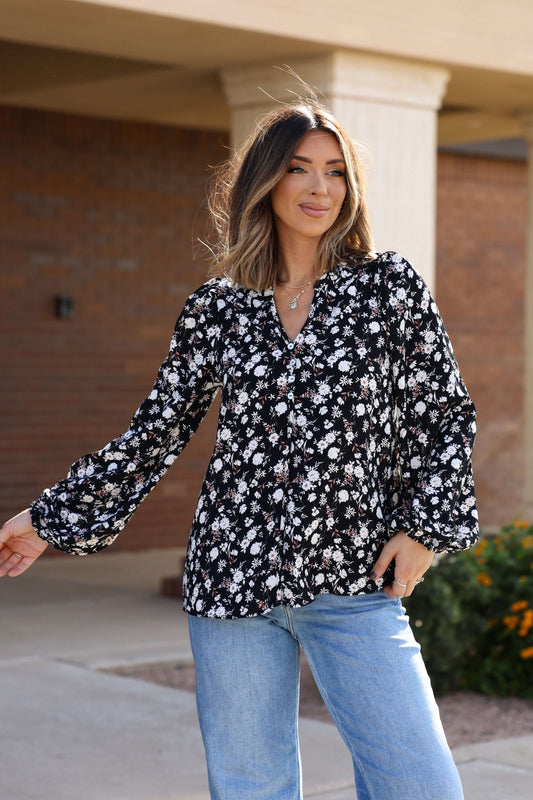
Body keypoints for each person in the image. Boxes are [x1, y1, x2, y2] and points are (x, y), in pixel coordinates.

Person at [0, 100, 478, 800]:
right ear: (264, 181)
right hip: (231, 580)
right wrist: (49, 519)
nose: (320, 188)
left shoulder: (388, 288)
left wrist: (423, 530)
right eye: (299, 169)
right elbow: (156, 432)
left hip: (352, 578)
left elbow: (445, 414)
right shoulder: (217, 307)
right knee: (250, 787)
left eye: (336, 172)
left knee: (419, 784)